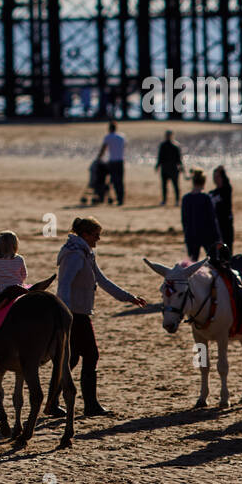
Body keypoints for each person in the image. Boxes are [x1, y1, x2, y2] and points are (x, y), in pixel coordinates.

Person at [56, 217, 145, 417]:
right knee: (90, 356)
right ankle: (90, 405)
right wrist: (66, 314)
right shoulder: (75, 255)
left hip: (78, 313)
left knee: (71, 359)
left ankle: (53, 402)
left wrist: (130, 298)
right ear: (85, 235)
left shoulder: (87, 253)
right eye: (96, 235)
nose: (98, 239)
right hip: (74, 315)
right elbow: (64, 286)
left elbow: (103, 281)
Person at [181, 170, 222, 260]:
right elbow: (212, 219)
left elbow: (184, 220)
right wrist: (218, 238)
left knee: (192, 264)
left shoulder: (186, 198)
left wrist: (186, 234)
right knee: (214, 261)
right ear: (204, 182)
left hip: (191, 234)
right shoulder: (206, 198)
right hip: (207, 234)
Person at [97, 121, 125, 206]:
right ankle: (121, 199)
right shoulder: (122, 137)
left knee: (113, 180)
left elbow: (103, 149)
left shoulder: (108, 137)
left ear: (109, 128)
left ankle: (106, 196)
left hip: (113, 161)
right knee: (120, 181)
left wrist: (99, 158)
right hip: (121, 161)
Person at [155, 130, 184, 206]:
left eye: (169, 135)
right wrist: (157, 165)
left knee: (175, 185)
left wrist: (181, 167)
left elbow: (179, 159)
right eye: (167, 135)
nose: (167, 136)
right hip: (165, 168)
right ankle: (164, 200)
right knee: (164, 186)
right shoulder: (163, 145)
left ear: (172, 136)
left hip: (173, 169)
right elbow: (160, 157)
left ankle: (177, 200)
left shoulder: (175, 145)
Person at [210, 166, 234, 253]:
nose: (215, 179)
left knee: (227, 247)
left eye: (217, 176)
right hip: (216, 223)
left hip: (226, 222)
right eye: (214, 177)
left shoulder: (227, 189)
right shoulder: (212, 193)